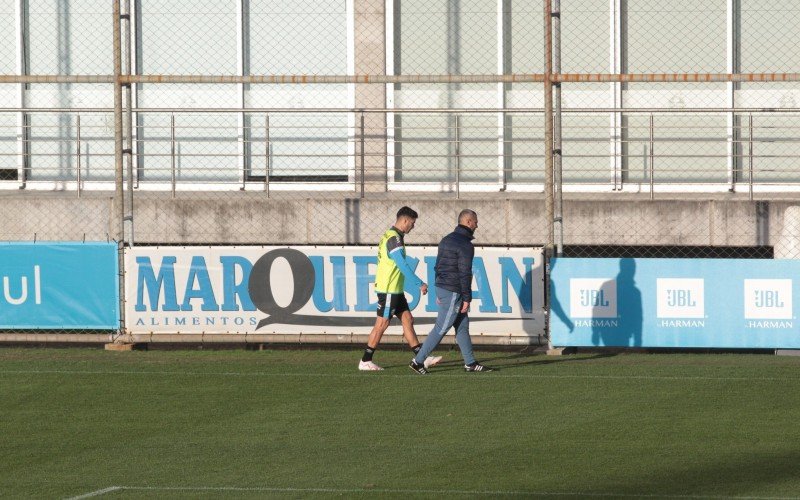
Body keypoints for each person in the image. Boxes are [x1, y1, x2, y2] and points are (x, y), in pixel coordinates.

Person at [409, 209, 493, 374]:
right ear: (468, 222)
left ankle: (470, 363)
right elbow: (465, 272)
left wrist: (438, 291)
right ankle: (418, 361)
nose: (477, 225)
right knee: (442, 327)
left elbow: (437, 266)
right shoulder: (466, 245)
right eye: (475, 221)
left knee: (462, 326)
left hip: (444, 288)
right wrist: (467, 298)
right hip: (454, 290)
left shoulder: (446, 240)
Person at [359, 206, 442, 371]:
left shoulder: (393, 236)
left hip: (395, 290)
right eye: (412, 223)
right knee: (382, 324)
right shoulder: (393, 239)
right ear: (404, 220)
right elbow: (402, 265)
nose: (413, 226)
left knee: (408, 320)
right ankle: (365, 360)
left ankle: (421, 357)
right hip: (389, 290)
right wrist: (420, 283)